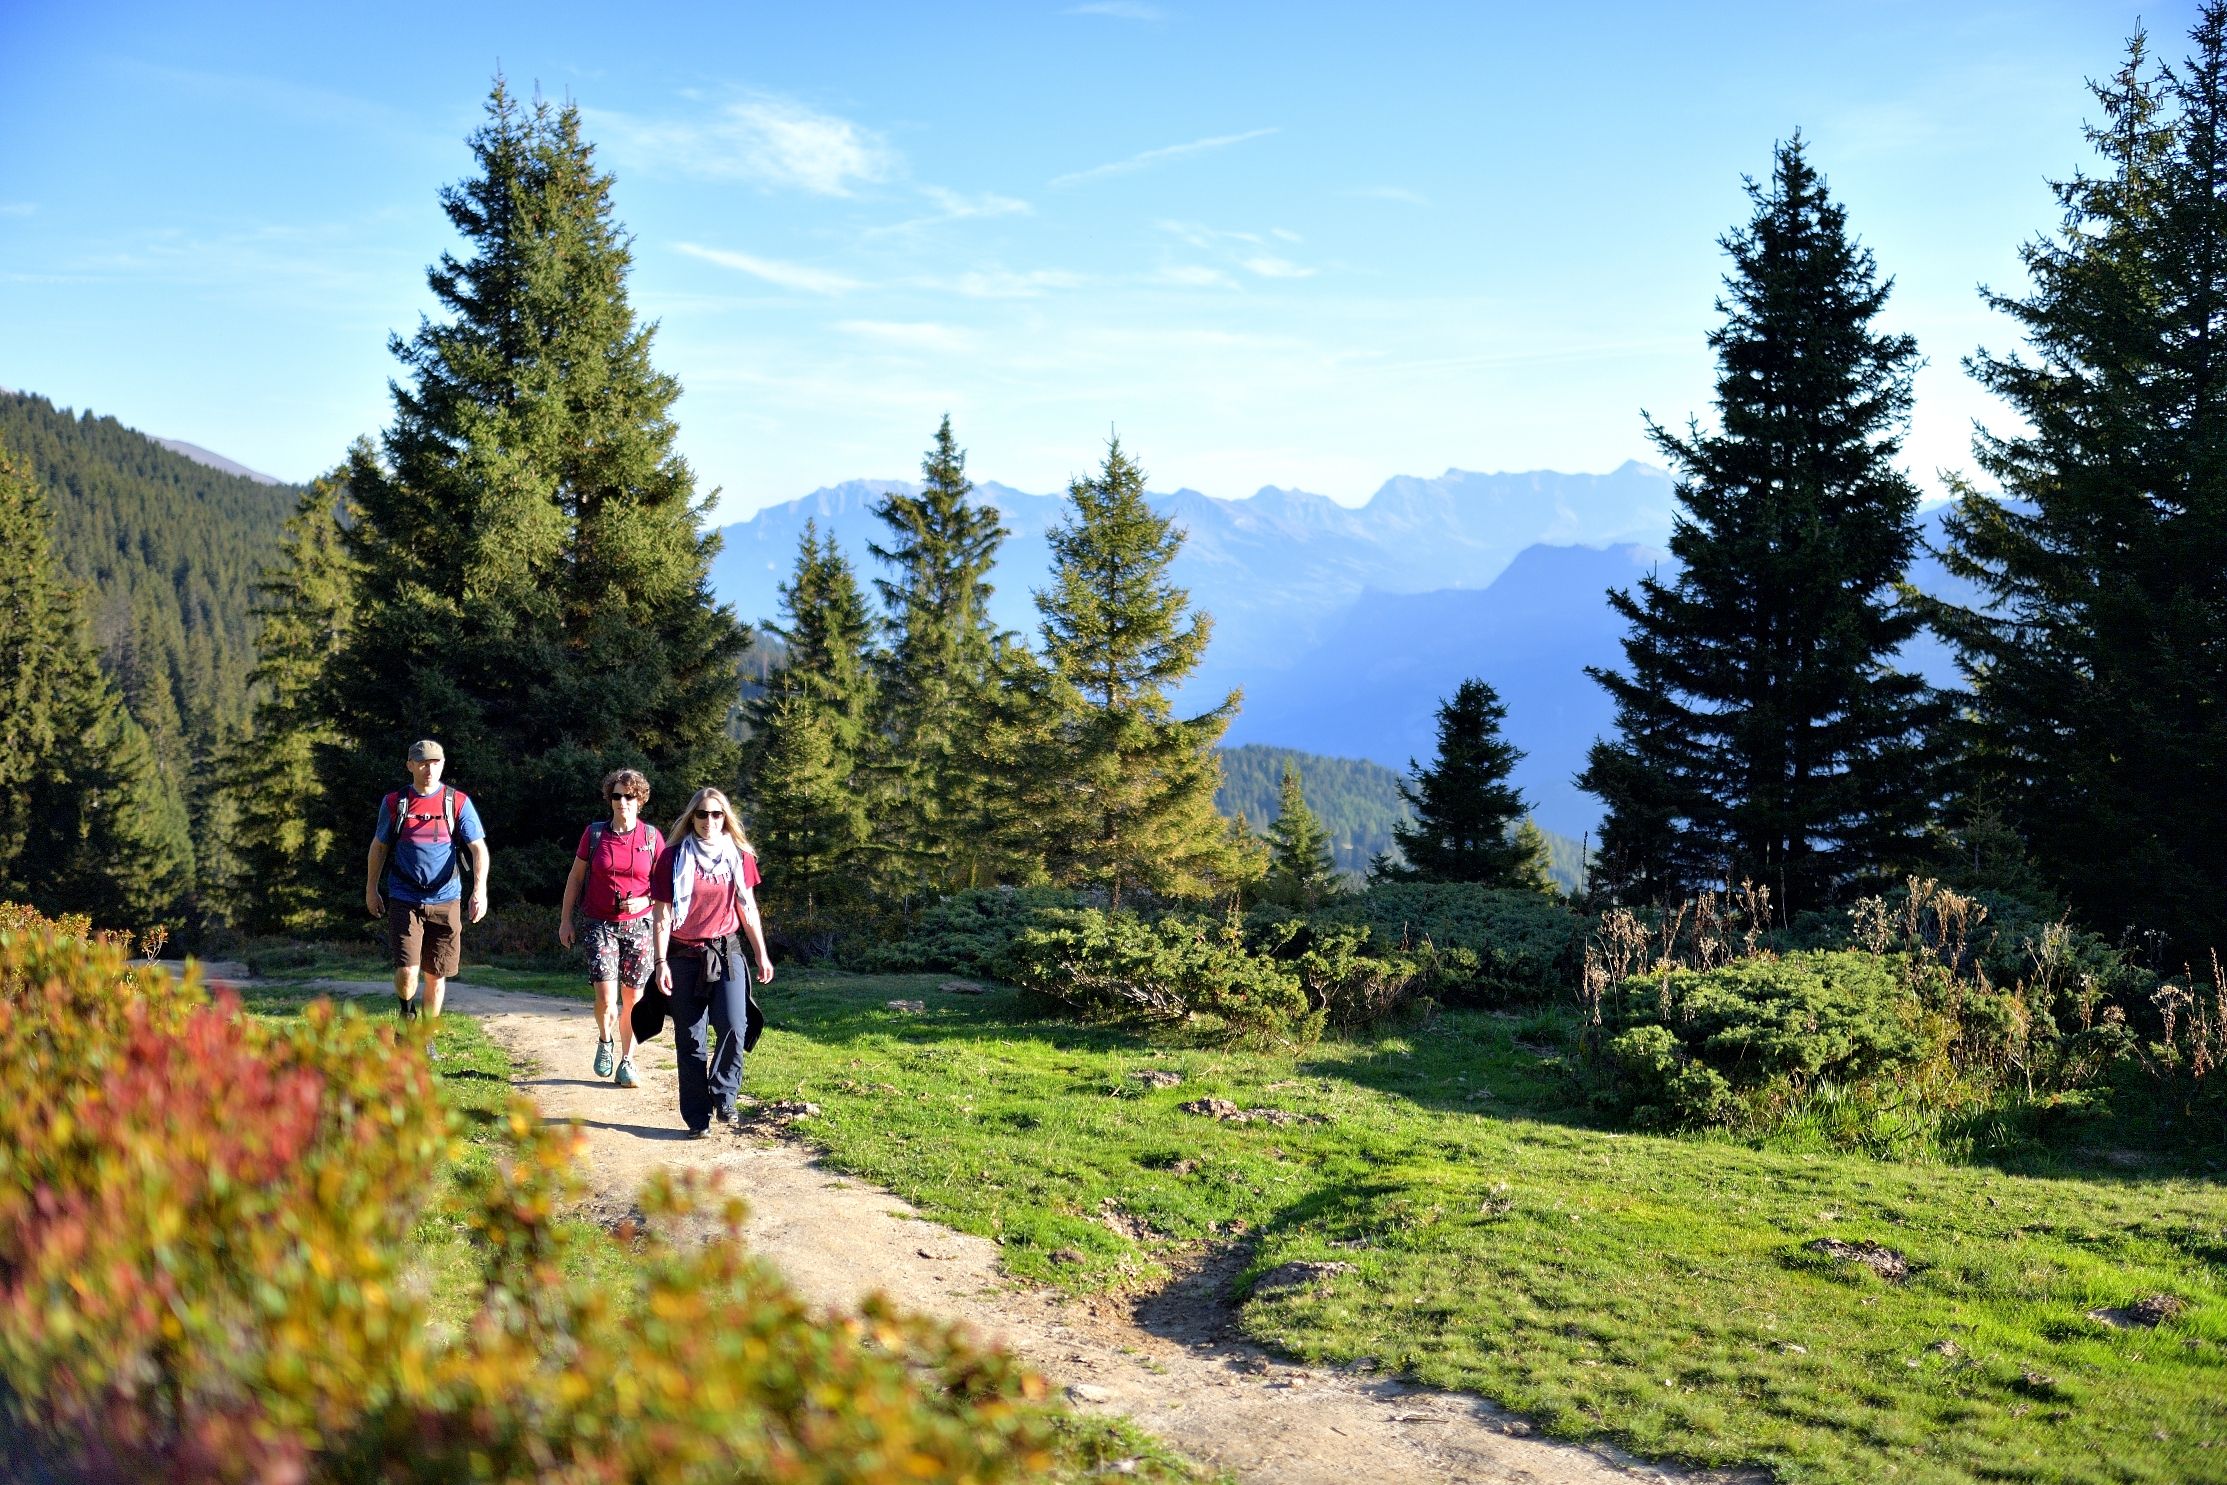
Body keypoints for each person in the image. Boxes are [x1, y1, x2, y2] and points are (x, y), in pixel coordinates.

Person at [648, 785, 772, 1137]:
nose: (709, 821)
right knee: (691, 1040)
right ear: (692, 817)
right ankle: (697, 1119)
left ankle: (724, 1095)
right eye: (701, 814)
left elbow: (747, 909)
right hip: (683, 955)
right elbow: (661, 915)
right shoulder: (672, 858)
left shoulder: (740, 857)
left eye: (716, 814)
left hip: (727, 950)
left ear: (726, 818)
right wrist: (660, 962)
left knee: (735, 1023)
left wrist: (761, 953)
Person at [364, 739, 489, 1019]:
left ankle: (427, 1035)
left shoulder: (457, 802)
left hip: (447, 898)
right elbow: (379, 847)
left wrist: (479, 890)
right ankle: (406, 1013)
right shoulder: (395, 803)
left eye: (435, 762)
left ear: (443, 764)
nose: (429, 769)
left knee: (436, 974)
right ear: (410, 765)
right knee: (407, 970)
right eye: (422, 762)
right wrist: (371, 889)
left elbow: (478, 848)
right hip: (405, 897)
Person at [558, 768, 660, 1087]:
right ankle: (605, 1041)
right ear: (610, 799)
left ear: (639, 800)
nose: (622, 802)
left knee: (634, 997)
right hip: (599, 924)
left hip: (640, 927)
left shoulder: (651, 837)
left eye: (629, 796)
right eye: (616, 795)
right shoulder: (595, 834)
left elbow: (664, 888)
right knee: (606, 997)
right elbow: (575, 879)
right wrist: (565, 920)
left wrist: (644, 902)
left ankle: (628, 1061)